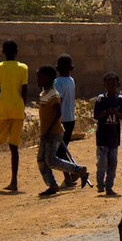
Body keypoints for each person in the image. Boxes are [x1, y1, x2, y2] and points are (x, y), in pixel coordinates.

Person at [36, 65, 90, 197]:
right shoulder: (43, 94)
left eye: (40, 77)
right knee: (42, 160)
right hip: (46, 132)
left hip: (53, 133)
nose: (38, 79)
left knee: (51, 160)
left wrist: (49, 130)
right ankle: (52, 185)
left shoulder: (53, 94)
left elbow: (58, 112)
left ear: (49, 78)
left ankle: (79, 170)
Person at [0, 40, 28, 192]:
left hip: (3, 109)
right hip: (18, 109)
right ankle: (14, 181)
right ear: (17, 51)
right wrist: (23, 107)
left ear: (2, 51)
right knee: (14, 146)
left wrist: (0, 103)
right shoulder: (23, 68)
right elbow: (25, 90)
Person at [93, 72, 122, 196]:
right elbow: (96, 115)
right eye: (108, 84)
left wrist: (116, 113)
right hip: (102, 136)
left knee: (112, 163)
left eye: (114, 83)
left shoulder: (121, 100)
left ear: (118, 84)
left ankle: (109, 187)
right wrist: (107, 112)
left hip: (114, 137)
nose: (111, 86)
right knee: (102, 161)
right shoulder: (101, 99)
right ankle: (100, 183)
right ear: (104, 85)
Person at [53, 54, 77, 187]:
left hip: (61, 120)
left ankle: (70, 175)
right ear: (71, 68)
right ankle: (71, 174)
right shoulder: (71, 80)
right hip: (70, 118)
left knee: (60, 151)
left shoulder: (58, 83)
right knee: (62, 149)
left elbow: (58, 101)